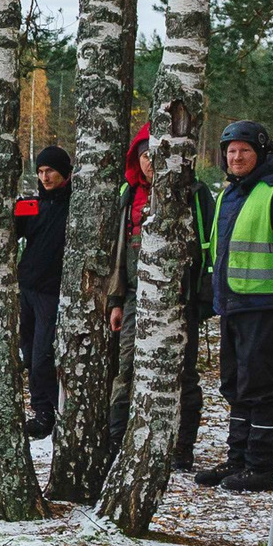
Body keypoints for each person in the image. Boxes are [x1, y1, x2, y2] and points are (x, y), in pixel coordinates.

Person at [197, 120, 273, 492]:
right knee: (234, 385)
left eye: (244, 150)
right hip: (232, 305)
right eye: (231, 151)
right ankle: (237, 459)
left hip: (267, 305)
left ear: (260, 153)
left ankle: (259, 465)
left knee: (258, 387)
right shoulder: (228, 195)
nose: (236, 157)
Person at [106, 121, 217, 469]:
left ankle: (182, 447)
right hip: (134, 297)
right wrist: (115, 301)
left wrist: (201, 297)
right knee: (126, 369)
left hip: (180, 300)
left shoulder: (194, 193)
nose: (150, 163)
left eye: (156, 156)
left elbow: (209, 246)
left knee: (183, 373)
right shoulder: (128, 196)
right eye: (144, 156)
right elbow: (118, 251)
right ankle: (118, 441)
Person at [11, 144, 71, 438]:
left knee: (42, 356)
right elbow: (8, 228)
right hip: (28, 287)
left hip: (52, 292)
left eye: (50, 171)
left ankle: (48, 411)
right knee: (29, 352)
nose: (45, 177)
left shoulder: (75, 206)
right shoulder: (32, 205)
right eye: (41, 171)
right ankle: (40, 408)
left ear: (65, 173)